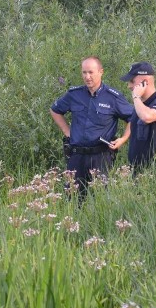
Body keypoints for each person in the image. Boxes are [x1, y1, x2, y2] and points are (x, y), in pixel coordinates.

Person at [51, 56, 133, 200]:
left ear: (101, 72)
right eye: (84, 73)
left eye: (91, 72)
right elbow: (55, 110)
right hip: (77, 156)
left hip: (100, 156)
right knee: (72, 199)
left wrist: (123, 139)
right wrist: (66, 131)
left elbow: (132, 118)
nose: (87, 77)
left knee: (100, 200)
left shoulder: (112, 97)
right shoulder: (74, 94)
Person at [110, 61, 156, 175]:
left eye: (132, 81)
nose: (129, 86)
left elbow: (147, 117)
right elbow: (133, 123)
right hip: (137, 171)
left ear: (145, 82)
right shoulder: (139, 105)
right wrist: (123, 138)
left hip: (155, 172)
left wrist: (136, 96)